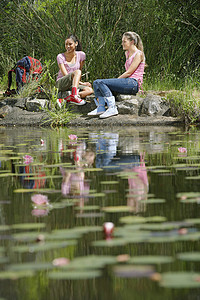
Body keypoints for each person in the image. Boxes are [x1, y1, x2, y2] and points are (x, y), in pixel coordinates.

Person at [88, 31, 145, 118]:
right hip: (127, 81)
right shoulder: (127, 53)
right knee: (96, 82)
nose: (122, 44)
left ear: (132, 42)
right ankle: (101, 107)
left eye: (124, 41)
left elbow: (129, 72)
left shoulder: (139, 54)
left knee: (101, 82)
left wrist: (117, 80)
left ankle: (112, 107)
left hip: (133, 83)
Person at [56, 34, 93, 107]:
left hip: (73, 84)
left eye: (70, 44)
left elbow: (79, 73)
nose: (68, 46)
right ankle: (75, 95)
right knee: (77, 72)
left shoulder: (81, 55)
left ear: (76, 44)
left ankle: (66, 99)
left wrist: (82, 83)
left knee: (90, 90)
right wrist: (82, 83)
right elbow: (66, 75)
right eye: (66, 44)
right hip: (61, 83)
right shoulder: (60, 56)